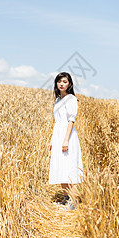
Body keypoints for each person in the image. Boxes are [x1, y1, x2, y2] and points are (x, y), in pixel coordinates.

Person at [48, 72, 83, 210]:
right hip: (58, 135)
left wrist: (66, 140)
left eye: (65, 81)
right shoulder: (57, 100)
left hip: (67, 136)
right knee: (60, 166)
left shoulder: (71, 99)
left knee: (69, 167)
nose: (62, 84)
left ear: (69, 84)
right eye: (59, 81)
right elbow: (57, 122)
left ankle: (73, 203)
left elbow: (71, 120)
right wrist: (52, 140)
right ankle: (66, 198)